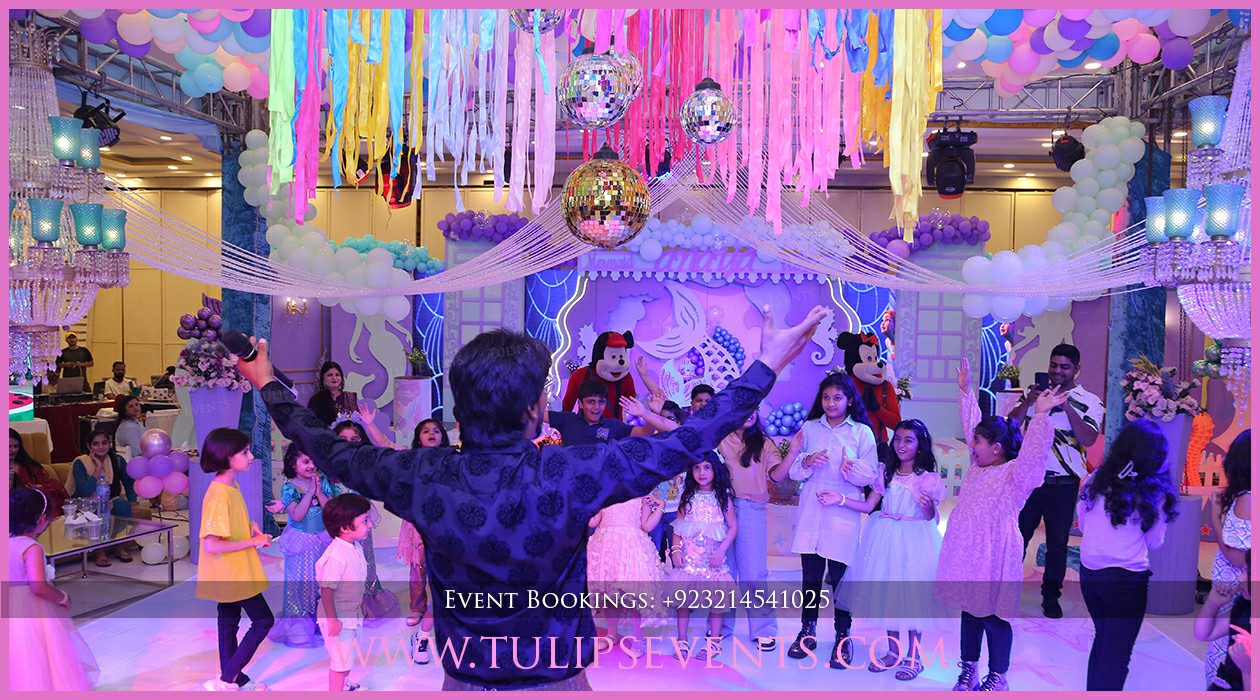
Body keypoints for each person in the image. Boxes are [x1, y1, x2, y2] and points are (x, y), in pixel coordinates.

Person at [233, 304, 827, 690]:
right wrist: (767, 363)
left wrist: (266, 382)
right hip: (557, 678)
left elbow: (325, 446)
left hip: (467, 679)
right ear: (535, 409)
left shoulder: (422, 474)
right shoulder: (571, 472)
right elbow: (688, 441)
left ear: (461, 406)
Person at [937, 358, 1064, 692]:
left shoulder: (1015, 475)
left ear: (996, 448)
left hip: (995, 552)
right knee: (970, 610)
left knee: (994, 615)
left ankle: (998, 675)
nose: (972, 445)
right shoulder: (978, 465)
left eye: (978, 442)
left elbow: (1034, 455)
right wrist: (965, 390)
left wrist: (1040, 416)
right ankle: (968, 669)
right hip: (968, 548)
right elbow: (972, 422)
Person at [827, 418, 945, 681]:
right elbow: (869, 506)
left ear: (920, 445)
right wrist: (841, 499)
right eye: (898, 439)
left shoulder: (927, 479)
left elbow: (931, 517)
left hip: (914, 540)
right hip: (885, 536)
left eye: (908, 440)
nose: (901, 445)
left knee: (912, 598)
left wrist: (926, 505)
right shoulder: (886, 472)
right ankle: (893, 651)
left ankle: (913, 657)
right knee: (889, 595)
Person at [782, 371, 879, 668]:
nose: (831, 403)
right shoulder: (810, 428)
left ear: (849, 400)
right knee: (810, 576)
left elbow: (871, 476)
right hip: (813, 505)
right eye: (826, 397)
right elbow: (794, 471)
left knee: (840, 578)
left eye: (837, 397)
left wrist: (852, 469)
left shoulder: (862, 432)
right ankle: (807, 630)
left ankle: (843, 635)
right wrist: (808, 461)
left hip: (843, 507)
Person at [1077, 419, 1180, 691]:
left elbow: (1084, 525)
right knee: (1116, 654)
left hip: (1090, 574)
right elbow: (1154, 542)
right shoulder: (1154, 493)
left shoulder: (1095, 479)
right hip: (1126, 580)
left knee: (1104, 641)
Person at [1008, 343, 1104, 619]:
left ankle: (1051, 596)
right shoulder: (1037, 395)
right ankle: (1006, 589)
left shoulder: (1090, 401)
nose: (1057, 371)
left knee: (1057, 543)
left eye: (1064, 367)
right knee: (1017, 537)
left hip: (1064, 484)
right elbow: (1009, 427)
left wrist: (1067, 407)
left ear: (1077, 369)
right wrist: (1028, 402)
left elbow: (1088, 439)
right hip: (1030, 482)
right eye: (1054, 365)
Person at [358, 403, 447, 662]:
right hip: (416, 520)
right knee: (417, 566)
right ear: (418, 439)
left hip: (443, 520)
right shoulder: (409, 458)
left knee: (442, 567)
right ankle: (418, 608)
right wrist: (370, 424)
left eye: (436, 430)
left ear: (442, 437)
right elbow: (385, 444)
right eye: (426, 431)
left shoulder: (451, 459)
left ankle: (440, 610)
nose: (431, 433)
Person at [195, 427, 274, 692]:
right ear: (227, 457)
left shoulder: (230, 485)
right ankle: (228, 678)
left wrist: (249, 526)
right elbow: (212, 544)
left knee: (228, 619)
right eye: (245, 452)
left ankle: (231, 678)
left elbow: (229, 525)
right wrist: (253, 542)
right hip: (231, 570)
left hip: (233, 568)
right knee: (263, 620)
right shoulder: (219, 494)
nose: (251, 457)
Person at [7, 488, 100, 690]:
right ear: (42, 520)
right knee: (39, 648)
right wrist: (62, 597)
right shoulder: (31, 548)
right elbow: (38, 586)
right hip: (31, 608)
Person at [717, 411, 790, 652]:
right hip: (722, 507)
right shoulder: (721, 437)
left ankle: (763, 629)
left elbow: (777, 476)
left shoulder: (764, 443)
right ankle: (720, 626)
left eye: (753, 407)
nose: (749, 412)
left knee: (753, 572)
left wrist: (793, 452)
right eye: (744, 406)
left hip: (751, 509)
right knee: (723, 571)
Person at [264, 443, 335, 648]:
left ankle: (318, 621)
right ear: (293, 464)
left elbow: (330, 510)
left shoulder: (322, 482)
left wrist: (319, 492)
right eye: (305, 461)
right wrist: (309, 493)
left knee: (320, 582)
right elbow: (297, 515)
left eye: (313, 461)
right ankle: (299, 627)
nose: (311, 465)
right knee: (301, 583)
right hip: (301, 543)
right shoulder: (290, 487)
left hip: (322, 540)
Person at [669, 454, 738, 662]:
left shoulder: (722, 497)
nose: (702, 473)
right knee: (683, 601)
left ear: (715, 470)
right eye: (697, 468)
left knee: (716, 601)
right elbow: (678, 526)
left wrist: (722, 550)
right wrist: (675, 550)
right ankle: (682, 640)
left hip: (712, 560)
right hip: (689, 560)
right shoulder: (688, 497)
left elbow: (733, 526)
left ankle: (714, 641)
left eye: (707, 467)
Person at [330, 420, 400, 626]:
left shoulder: (365, 466)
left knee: (365, 561)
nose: (348, 443)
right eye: (343, 439)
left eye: (354, 439)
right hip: (338, 528)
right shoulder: (329, 468)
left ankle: (365, 600)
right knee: (341, 565)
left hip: (361, 525)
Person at [587, 491, 666, 659]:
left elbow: (647, 526)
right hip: (607, 547)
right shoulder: (605, 492)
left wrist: (660, 506)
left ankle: (638, 639)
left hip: (631, 548)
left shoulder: (642, 494)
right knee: (609, 596)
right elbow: (593, 522)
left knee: (633, 596)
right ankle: (611, 634)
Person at [317, 492, 375, 692]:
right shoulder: (337, 556)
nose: (370, 525)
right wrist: (332, 620)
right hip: (338, 617)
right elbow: (326, 590)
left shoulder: (354, 546)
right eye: (365, 521)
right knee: (340, 664)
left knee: (348, 656)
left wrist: (362, 605)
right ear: (344, 528)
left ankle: (345, 684)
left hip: (351, 614)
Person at [1207, 430, 1251, 688]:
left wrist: (1214, 518)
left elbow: (1240, 559)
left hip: (1236, 596)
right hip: (1235, 597)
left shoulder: (1248, 499)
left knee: (1228, 669)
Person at [67, 430, 139, 566]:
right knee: (99, 509)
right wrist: (98, 469)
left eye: (104, 443)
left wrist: (133, 502)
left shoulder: (116, 460)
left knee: (122, 505)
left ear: (109, 444)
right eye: (96, 444)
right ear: (89, 446)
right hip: (86, 503)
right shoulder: (80, 463)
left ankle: (118, 544)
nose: (101, 447)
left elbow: (129, 481)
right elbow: (84, 492)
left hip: (109, 499)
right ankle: (99, 550)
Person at [547, 380, 678, 445]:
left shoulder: (613, 425)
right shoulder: (567, 419)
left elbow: (645, 432)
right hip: (570, 485)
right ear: (580, 404)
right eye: (591, 402)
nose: (596, 407)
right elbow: (538, 415)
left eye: (601, 402)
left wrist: (653, 413)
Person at [1197, 550, 1251, 692]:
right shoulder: (1244, 608)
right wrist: (1212, 604)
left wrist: (1248, 670)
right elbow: (1204, 634)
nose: (1240, 578)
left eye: (1248, 573)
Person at [9, 428, 70, 516]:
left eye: (16, 446)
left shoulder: (31, 467)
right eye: (9, 446)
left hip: (37, 507)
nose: (13, 450)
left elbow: (47, 486)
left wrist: (36, 489)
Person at [308, 361, 358, 426]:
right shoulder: (316, 400)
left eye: (337, 375)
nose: (334, 378)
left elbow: (358, 423)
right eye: (330, 375)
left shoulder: (350, 397)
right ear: (323, 378)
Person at [113, 395, 146, 460]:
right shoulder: (128, 427)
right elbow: (136, 452)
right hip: (137, 461)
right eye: (131, 406)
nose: (135, 408)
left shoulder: (137, 423)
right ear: (124, 410)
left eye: (137, 404)